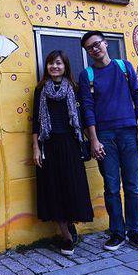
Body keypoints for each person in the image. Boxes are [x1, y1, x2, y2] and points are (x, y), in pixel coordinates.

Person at [78, 31, 138, 252]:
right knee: (111, 188)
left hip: (129, 133)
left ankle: (136, 232)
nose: (95, 49)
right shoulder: (87, 75)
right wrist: (93, 140)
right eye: (89, 47)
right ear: (87, 52)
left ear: (106, 44)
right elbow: (87, 109)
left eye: (97, 44)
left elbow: (137, 96)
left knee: (132, 186)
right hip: (104, 137)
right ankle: (117, 233)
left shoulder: (125, 67)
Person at [32, 50, 94, 256]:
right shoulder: (40, 90)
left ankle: (70, 224)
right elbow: (35, 122)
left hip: (71, 144)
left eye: (58, 63)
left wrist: (93, 141)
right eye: (50, 63)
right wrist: (35, 148)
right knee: (53, 189)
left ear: (65, 66)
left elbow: (84, 118)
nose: (54, 67)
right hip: (48, 144)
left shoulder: (74, 88)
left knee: (71, 187)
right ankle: (66, 236)